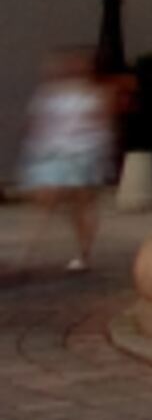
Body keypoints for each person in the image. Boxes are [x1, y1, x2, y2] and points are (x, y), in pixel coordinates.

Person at [15, 48, 113, 271]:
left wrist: (97, 154)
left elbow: (101, 128)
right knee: (44, 201)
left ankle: (84, 253)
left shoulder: (93, 95)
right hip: (54, 155)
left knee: (79, 207)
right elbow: (37, 126)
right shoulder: (49, 94)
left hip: (82, 154)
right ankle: (28, 251)